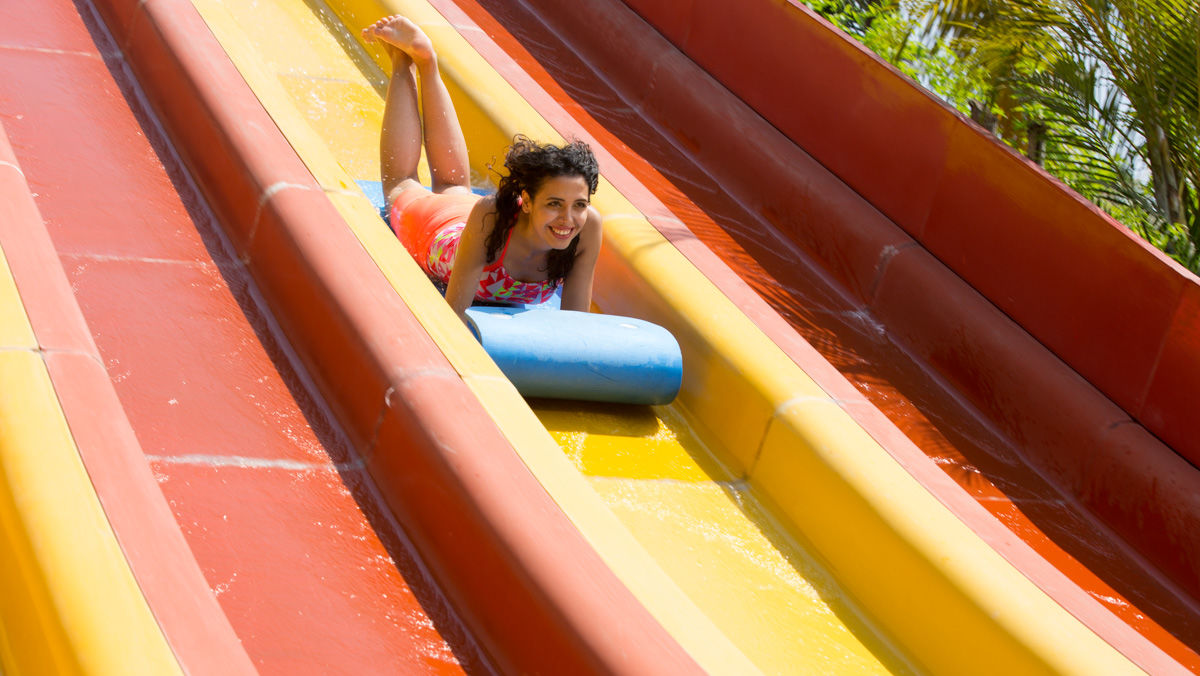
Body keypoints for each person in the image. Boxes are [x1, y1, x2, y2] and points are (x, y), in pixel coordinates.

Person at [361, 15, 603, 324]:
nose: (568, 219)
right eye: (554, 204)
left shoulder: (587, 227)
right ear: (526, 201)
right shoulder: (492, 215)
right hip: (436, 235)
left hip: (470, 217)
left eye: (579, 204)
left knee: (454, 186)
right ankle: (401, 61)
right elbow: (455, 315)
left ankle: (428, 62)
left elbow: (576, 326)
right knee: (401, 183)